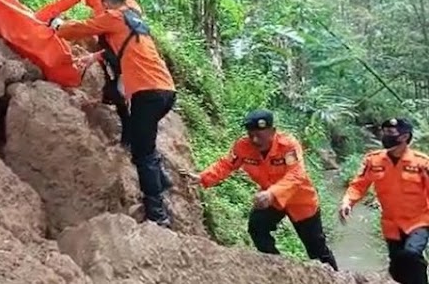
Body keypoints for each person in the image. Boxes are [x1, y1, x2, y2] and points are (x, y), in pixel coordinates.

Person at [53, 0, 176, 227]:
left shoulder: (113, 16)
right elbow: (119, 48)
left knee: (142, 154)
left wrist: (58, 27)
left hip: (146, 91)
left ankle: (158, 214)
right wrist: (94, 56)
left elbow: (83, 28)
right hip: (166, 90)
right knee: (145, 142)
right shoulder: (134, 20)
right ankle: (162, 181)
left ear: (107, 2)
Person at [181, 109, 338, 270]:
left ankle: (335, 278)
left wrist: (272, 193)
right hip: (271, 199)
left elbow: (296, 174)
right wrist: (202, 177)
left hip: (300, 200)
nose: (255, 140)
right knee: (257, 228)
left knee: (317, 248)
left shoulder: (287, 147)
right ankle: (278, 268)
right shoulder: (243, 146)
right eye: (251, 135)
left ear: (273, 131)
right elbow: (227, 164)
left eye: (260, 135)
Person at [36, 0, 140, 149]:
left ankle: (129, 135)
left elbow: (62, 3)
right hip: (135, 34)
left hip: (110, 31)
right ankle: (126, 121)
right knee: (124, 80)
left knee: (118, 83)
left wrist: (37, 17)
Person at [340, 118, 429, 284]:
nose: (385, 136)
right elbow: (359, 185)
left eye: (391, 133)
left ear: (404, 137)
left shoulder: (421, 163)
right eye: (384, 132)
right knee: (397, 268)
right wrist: (347, 201)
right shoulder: (373, 161)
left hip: (418, 222)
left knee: (411, 255)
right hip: (391, 224)